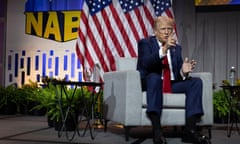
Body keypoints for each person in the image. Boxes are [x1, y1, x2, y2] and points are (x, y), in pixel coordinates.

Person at [136, 16, 208, 144]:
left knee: (196, 82)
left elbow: (177, 75)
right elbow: (146, 63)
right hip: (151, 83)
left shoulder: (176, 48)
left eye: (169, 29)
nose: (167, 32)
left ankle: (190, 130)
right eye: (163, 29)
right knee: (154, 78)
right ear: (155, 31)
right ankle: (157, 131)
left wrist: (183, 71)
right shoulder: (145, 43)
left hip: (170, 84)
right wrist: (164, 49)